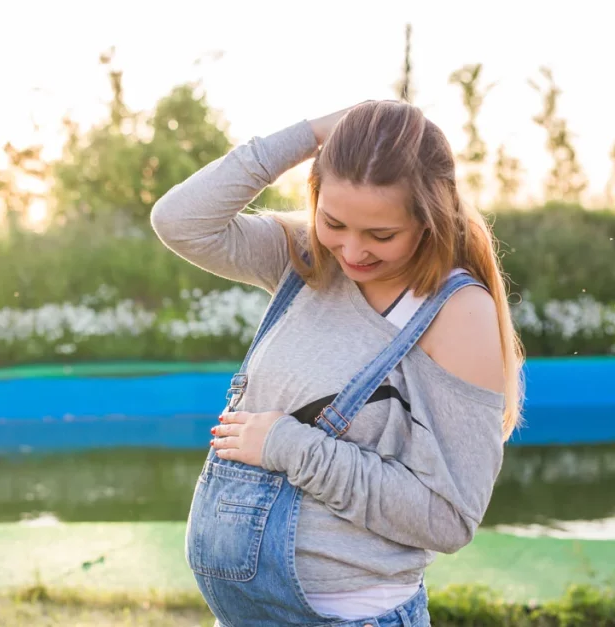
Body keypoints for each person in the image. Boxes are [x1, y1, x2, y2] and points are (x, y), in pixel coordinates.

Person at [150, 100, 524, 627]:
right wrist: (312, 134)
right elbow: (179, 222)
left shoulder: (455, 313)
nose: (352, 251)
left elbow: (447, 517)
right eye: (334, 222)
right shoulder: (307, 259)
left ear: (430, 218)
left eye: (381, 235)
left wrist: (288, 447)